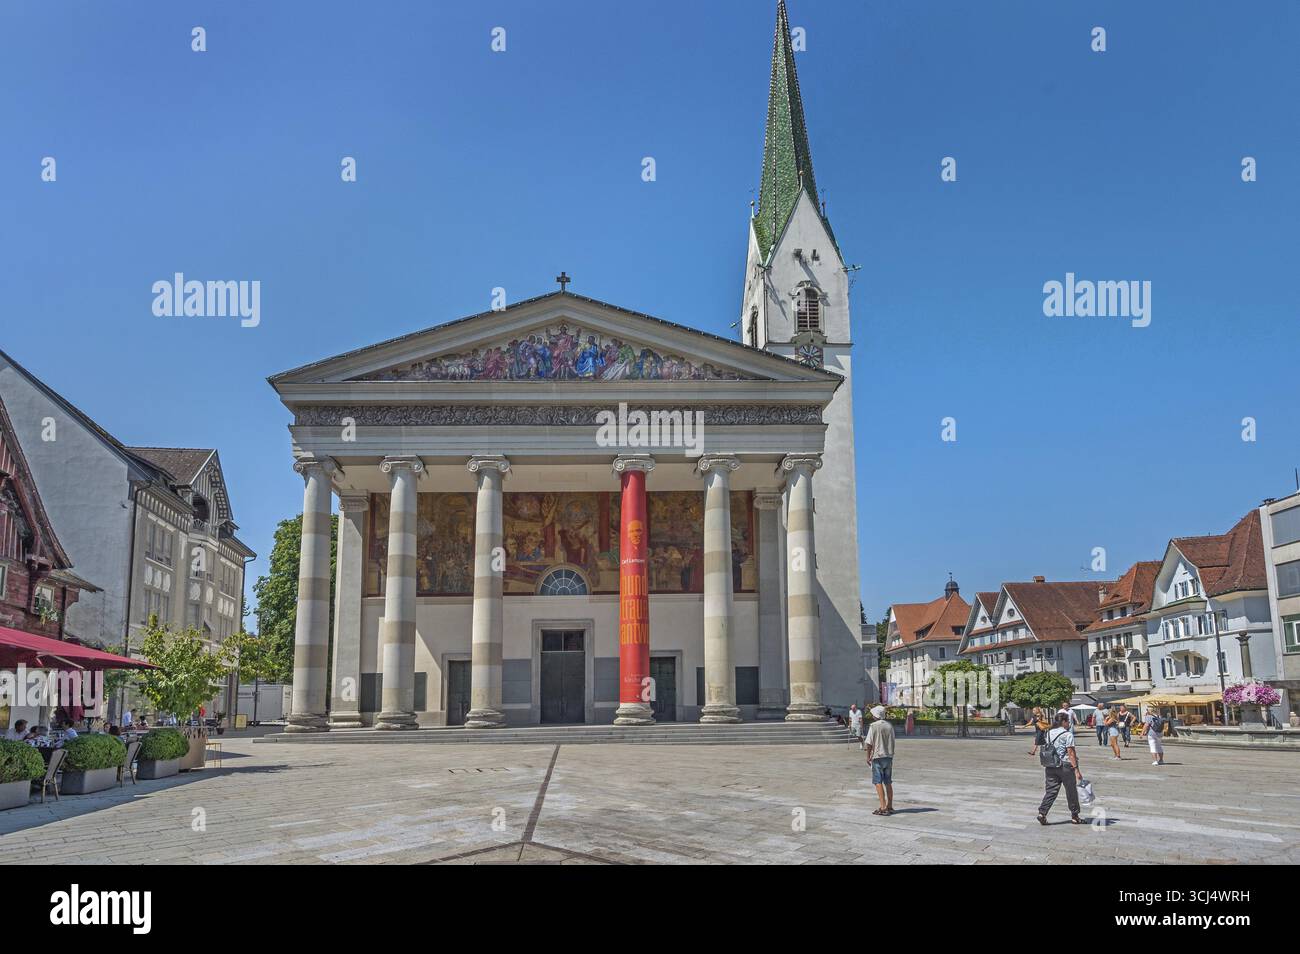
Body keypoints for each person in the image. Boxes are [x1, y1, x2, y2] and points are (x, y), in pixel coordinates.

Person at [1037, 712, 1083, 825]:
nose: (1069, 723)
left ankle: (1042, 813)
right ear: (1063, 722)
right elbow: (1071, 753)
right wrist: (1076, 769)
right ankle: (1075, 816)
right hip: (1065, 766)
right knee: (1071, 791)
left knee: (1051, 791)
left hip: (1050, 765)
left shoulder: (1048, 733)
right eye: (1068, 721)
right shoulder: (1067, 734)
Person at [864, 706, 896, 816]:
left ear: (876, 716)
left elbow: (869, 743)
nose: (872, 716)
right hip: (888, 756)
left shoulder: (873, 726)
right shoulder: (889, 725)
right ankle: (890, 805)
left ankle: (883, 807)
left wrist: (868, 756)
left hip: (878, 757)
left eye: (873, 714)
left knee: (878, 782)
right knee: (888, 782)